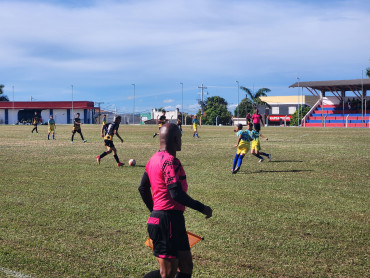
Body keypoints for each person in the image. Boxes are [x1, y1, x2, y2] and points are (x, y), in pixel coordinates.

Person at [138, 123, 213, 278]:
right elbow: (176, 193)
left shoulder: (153, 159)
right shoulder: (169, 161)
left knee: (186, 266)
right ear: (174, 139)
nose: (181, 141)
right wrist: (202, 208)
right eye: (179, 138)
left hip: (172, 220)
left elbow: (143, 189)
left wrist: (154, 211)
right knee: (168, 273)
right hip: (167, 222)